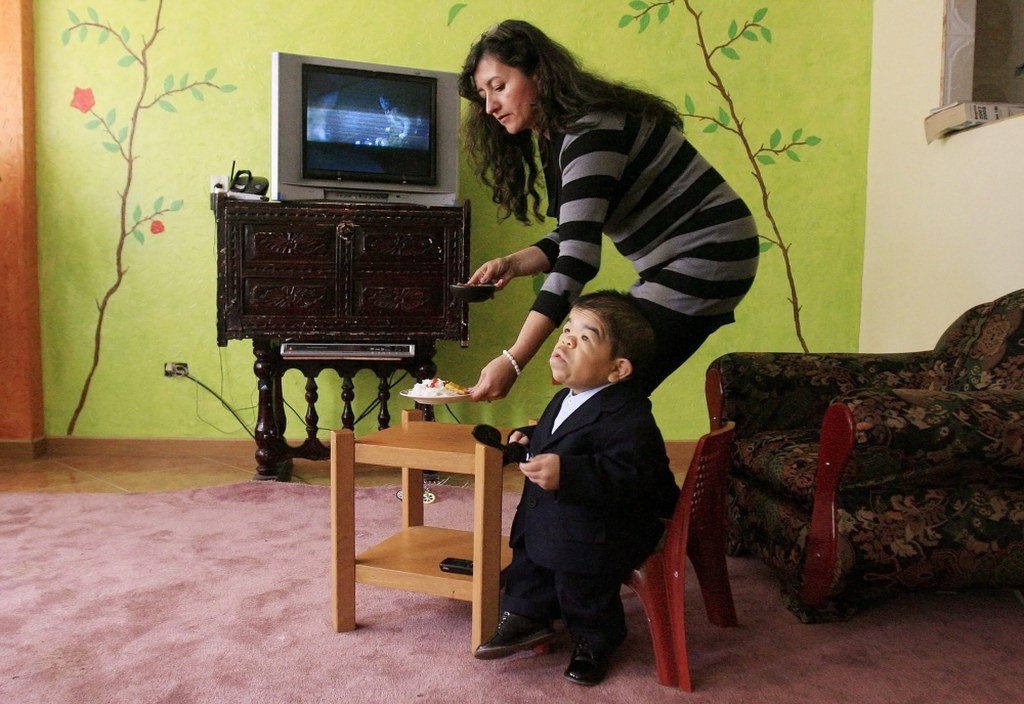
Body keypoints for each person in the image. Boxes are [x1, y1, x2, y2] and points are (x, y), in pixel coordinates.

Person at [459, 19, 759, 401]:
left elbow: (578, 258)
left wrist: (514, 359)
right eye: (482, 95)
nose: (489, 106)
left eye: (499, 87)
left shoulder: (590, 132)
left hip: (710, 253)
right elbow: (576, 230)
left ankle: (561, 439)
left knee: (605, 385)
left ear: (539, 74)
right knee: (599, 388)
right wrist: (514, 264)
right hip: (688, 257)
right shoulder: (560, 134)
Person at [473, 290, 680, 686]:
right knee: (527, 559)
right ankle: (526, 615)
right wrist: (529, 439)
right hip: (556, 514)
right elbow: (559, 437)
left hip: (608, 527)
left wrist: (570, 473)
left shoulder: (630, 416)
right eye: (568, 329)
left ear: (617, 369)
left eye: (585, 338)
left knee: (579, 575)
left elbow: (634, 475)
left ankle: (595, 637)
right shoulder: (566, 397)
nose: (566, 340)